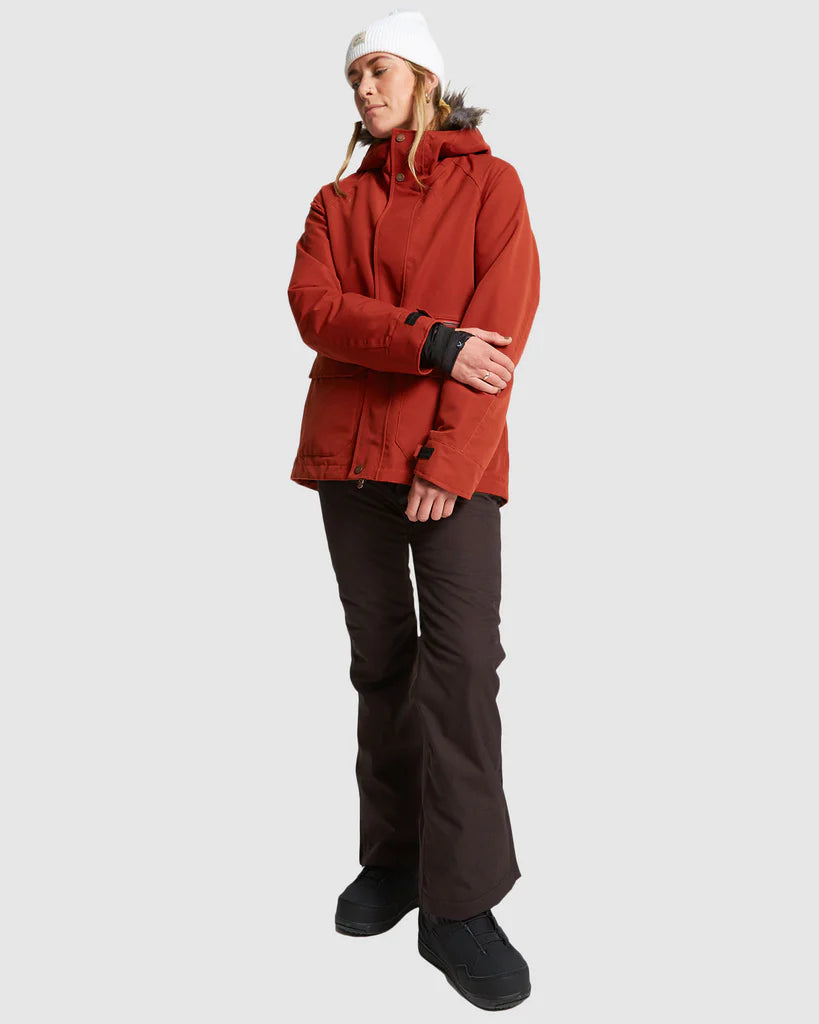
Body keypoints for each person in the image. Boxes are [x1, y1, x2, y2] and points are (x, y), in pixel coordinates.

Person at [287, 8, 540, 1012]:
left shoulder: (491, 186)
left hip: (448, 468)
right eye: (354, 77)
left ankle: (460, 904)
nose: (363, 89)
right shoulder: (335, 200)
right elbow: (316, 312)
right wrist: (433, 340)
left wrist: (450, 459)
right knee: (380, 663)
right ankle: (392, 859)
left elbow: (501, 337)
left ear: (426, 79)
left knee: (463, 668)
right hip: (349, 462)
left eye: (379, 72)